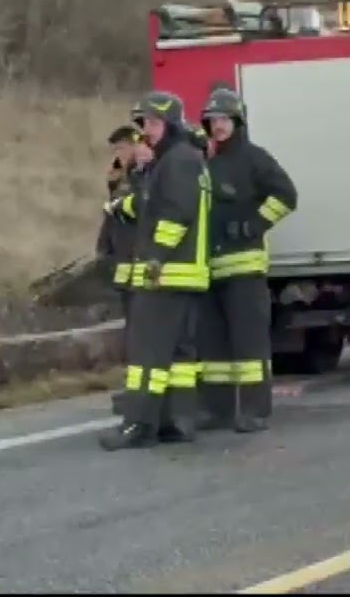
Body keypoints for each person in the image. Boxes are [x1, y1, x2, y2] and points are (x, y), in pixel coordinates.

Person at [99, 90, 212, 451]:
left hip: (165, 273)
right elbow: (153, 204)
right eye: (144, 123)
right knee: (178, 356)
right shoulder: (180, 160)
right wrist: (123, 204)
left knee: (146, 352)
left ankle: (138, 425)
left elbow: (176, 214)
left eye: (151, 123)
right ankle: (177, 421)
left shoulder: (177, 162)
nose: (145, 130)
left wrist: (155, 257)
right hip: (183, 275)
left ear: (170, 124)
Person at [197, 87, 297, 433]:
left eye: (224, 119)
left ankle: (255, 411)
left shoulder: (254, 158)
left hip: (245, 269)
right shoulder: (203, 162)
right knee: (214, 347)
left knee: (249, 345)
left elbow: (287, 195)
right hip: (208, 270)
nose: (218, 126)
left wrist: (255, 223)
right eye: (213, 120)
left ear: (237, 121)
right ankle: (218, 410)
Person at [100, 117, 153, 418]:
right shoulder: (122, 179)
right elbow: (111, 219)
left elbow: (134, 216)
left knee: (141, 333)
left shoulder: (143, 177)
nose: (118, 153)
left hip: (139, 265)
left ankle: (140, 391)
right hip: (124, 266)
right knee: (132, 332)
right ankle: (134, 388)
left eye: (122, 147)